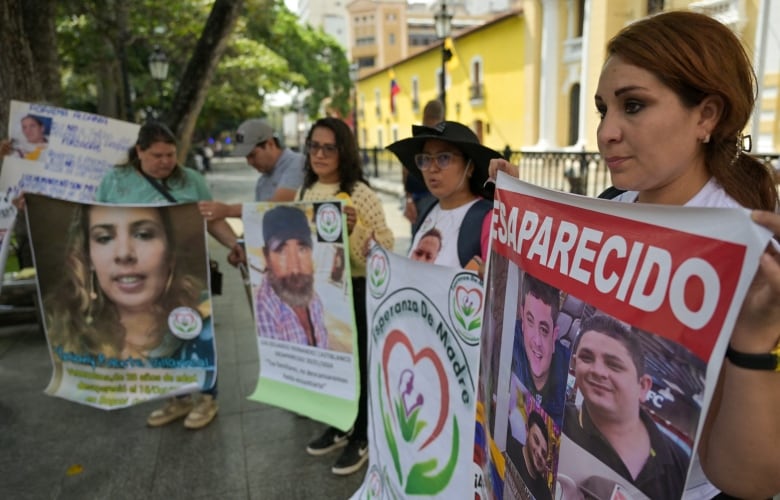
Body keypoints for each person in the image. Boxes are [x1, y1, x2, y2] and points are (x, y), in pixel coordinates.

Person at [489, 11, 780, 498]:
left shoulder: (754, 258)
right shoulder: (610, 208)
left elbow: (750, 479)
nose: (606, 132)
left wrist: (752, 340)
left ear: (706, 115)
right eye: (604, 109)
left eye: (635, 105)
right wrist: (522, 221)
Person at [96, 121, 244, 430]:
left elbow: (212, 220)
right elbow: (97, 221)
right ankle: (177, 398)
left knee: (195, 336)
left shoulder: (191, 180)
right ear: (139, 151)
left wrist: (235, 244)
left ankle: (206, 397)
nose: (165, 162)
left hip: (188, 274)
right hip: (139, 277)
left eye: (171, 154)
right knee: (157, 338)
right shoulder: (115, 182)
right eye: (157, 155)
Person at [300, 117, 394, 476]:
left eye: (329, 147)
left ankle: (365, 434)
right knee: (334, 362)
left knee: (361, 367)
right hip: (320, 293)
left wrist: (357, 230)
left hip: (354, 291)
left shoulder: (360, 194)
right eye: (314, 146)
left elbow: (384, 247)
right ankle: (342, 423)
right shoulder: (306, 192)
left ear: (344, 151)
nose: (319, 154)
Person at [44, 204, 214, 370]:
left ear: (170, 254)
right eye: (104, 238)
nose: (124, 254)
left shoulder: (206, 318)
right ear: (88, 259)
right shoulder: (67, 333)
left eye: (143, 235)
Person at [563, 314, 688, 499]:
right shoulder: (559, 421)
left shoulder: (678, 462)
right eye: (586, 358)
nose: (597, 371)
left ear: (643, 387)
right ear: (574, 362)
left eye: (613, 365)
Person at [388, 120, 503, 269]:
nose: (432, 168)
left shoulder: (489, 219)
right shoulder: (428, 210)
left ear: (470, 167)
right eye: (425, 159)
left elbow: (499, 282)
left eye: (443, 158)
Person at [199, 119, 304, 221]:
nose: (249, 162)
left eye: (253, 155)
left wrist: (228, 210)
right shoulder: (262, 182)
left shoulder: (297, 163)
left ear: (270, 144)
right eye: (246, 157)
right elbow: (259, 217)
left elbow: (279, 206)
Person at [255, 205, 328, 348]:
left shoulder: (314, 300)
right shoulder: (263, 307)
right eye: (281, 251)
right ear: (267, 258)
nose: (295, 268)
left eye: (302, 249)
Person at [511, 273, 569, 425]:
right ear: (522, 318)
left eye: (544, 330)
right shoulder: (507, 340)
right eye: (530, 321)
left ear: (554, 335)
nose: (536, 341)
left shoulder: (566, 371)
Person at [402, 99, 441, 234]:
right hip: (432, 197)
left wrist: (408, 198)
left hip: (419, 197)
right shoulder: (442, 139)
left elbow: (405, 171)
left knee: (419, 240)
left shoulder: (416, 141)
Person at [506, 410, 553, 500]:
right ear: (527, 432)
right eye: (536, 440)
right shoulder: (508, 448)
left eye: (544, 453)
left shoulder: (545, 494)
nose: (539, 453)